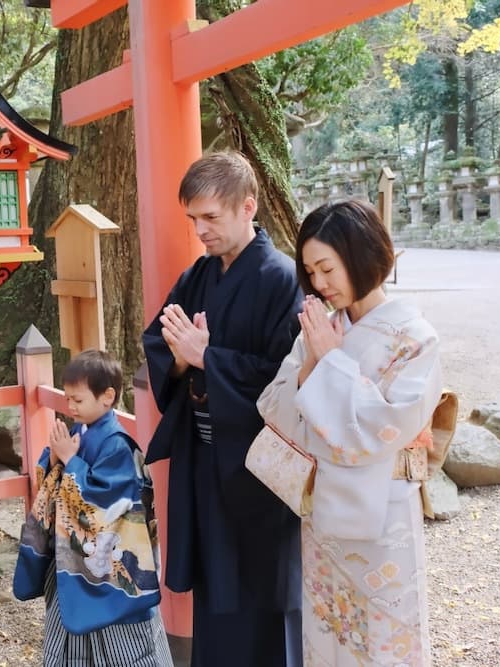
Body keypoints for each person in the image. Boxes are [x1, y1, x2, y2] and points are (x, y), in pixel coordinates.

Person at [257, 200, 442, 666]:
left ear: (360, 257)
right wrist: (314, 363)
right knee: (328, 629)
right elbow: (274, 407)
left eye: (327, 268)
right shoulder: (321, 329)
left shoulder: (415, 338)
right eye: (310, 271)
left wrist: (332, 363)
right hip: (322, 512)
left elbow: (384, 428)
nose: (318, 283)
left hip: (383, 511)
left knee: (383, 635)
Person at [142, 151, 304, 666]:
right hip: (208, 461)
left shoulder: (282, 278)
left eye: (210, 217)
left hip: (258, 471)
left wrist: (205, 357)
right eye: (193, 219)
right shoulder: (200, 275)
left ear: (247, 207)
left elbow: (289, 376)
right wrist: (183, 356)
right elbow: (157, 338)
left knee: (264, 595)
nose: (200, 230)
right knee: (215, 591)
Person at [13, 349, 173, 666]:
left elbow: (111, 504)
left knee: (126, 653)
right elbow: (53, 483)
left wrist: (70, 461)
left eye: (78, 400)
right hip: (71, 571)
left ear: (107, 397)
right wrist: (56, 461)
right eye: (67, 398)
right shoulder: (77, 433)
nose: (70, 407)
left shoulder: (119, 445)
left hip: (113, 578)